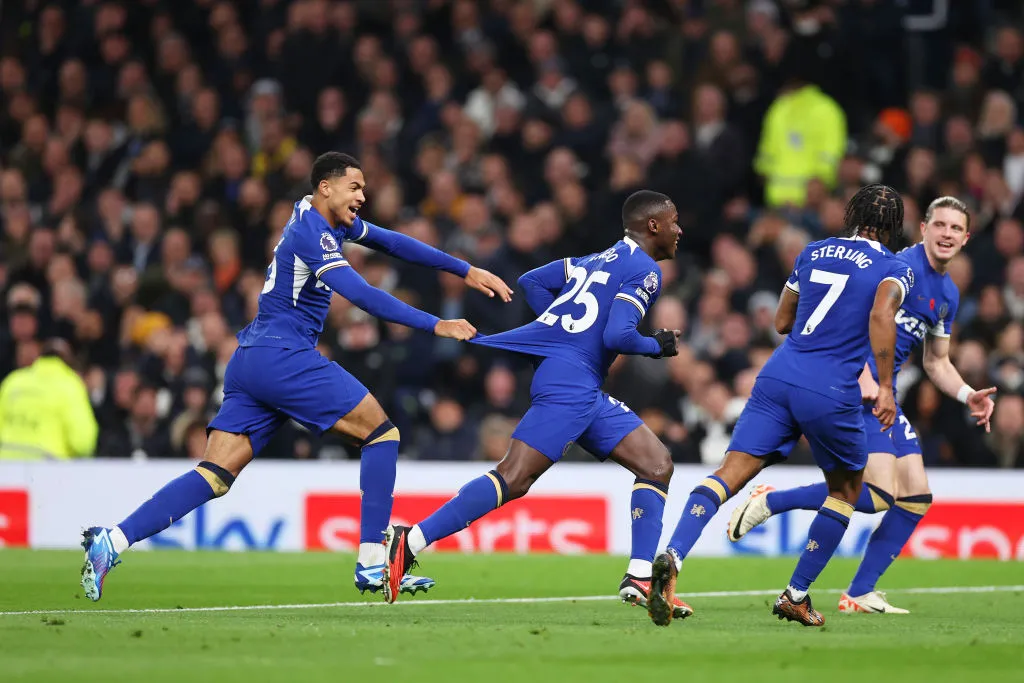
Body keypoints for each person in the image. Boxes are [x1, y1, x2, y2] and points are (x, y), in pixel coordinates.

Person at [80, 152, 513, 601]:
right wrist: (435, 323)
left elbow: (395, 243)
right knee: (381, 435)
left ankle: (111, 540)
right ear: (325, 186)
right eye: (355, 187)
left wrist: (465, 269)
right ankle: (371, 564)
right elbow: (361, 294)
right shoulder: (313, 232)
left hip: (250, 359)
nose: (363, 196)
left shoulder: (319, 220)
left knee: (215, 474)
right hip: (283, 355)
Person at [382, 190, 689, 616]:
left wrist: (559, 332)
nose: (680, 230)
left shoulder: (591, 260)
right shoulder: (646, 270)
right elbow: (618, 336)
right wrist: (656, 346)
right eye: (674, 221)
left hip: (578, 384)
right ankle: (410, 539)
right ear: (652, 226)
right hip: (571, 385)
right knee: (514, 477)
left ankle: (639, 576)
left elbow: (531, 282)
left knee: (656, 464)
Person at [647, 184, 914, 628]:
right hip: (831, 387)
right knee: (846, 491)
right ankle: (795, 594)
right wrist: (885, 386)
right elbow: (882, 315)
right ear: (894, 227)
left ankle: (673, 556)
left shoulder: (813, 251)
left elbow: (782, 321)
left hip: (777, 375)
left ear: (851, 214)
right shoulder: (895, 266)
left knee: (727, 474)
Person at [727, 196, 997, 614]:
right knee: (874, 495)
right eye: (939, 225)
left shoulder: (947, 294)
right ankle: (771, 501)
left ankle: (859, 592)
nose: (946, 234)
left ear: (966, 238)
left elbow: (936, 360)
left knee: (915, 498)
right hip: (858, 387)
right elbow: (856, 321)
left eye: (955, 228)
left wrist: (967, 393)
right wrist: (867, 379)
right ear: (923, 227)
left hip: (884, 395)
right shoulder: (896, 268)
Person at [0, 339, 98, 460]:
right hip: (48, 466)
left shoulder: (13, 381)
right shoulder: (70, 384)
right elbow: (83, 442)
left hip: (6, 464)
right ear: (69, 361)